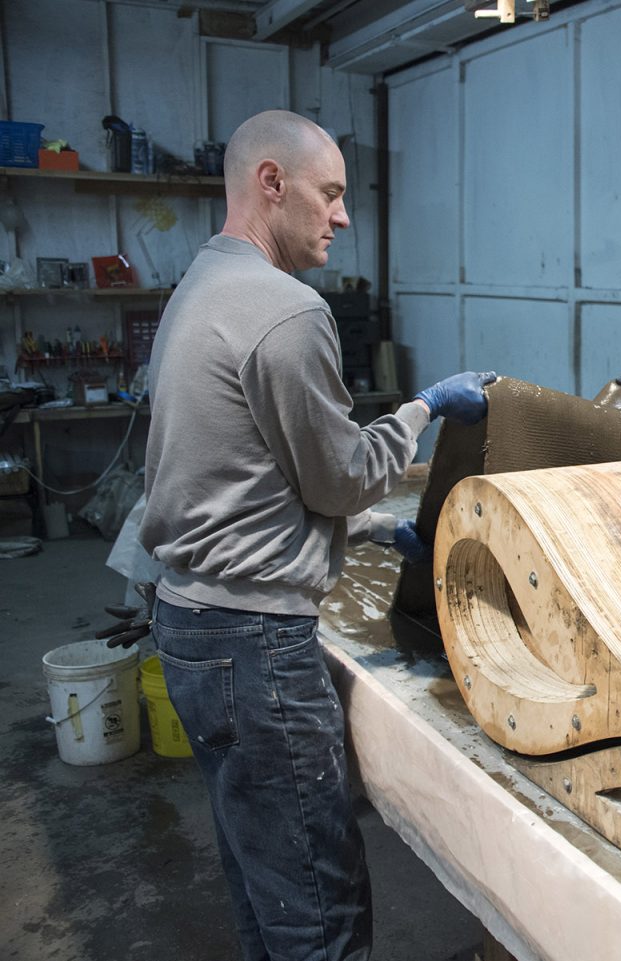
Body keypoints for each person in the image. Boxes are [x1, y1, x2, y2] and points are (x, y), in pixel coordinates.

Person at [138, 109, 493, 961]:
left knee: (266, 886)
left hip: (189, 623)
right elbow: (340, 474)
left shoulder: (201, 286)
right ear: (272, 183)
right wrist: (420, 409)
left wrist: (367, 532)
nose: (342, 215)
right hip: (255, 646)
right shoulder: (286, 308)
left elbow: (242, 469)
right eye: (330, 194)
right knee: (319, 907)